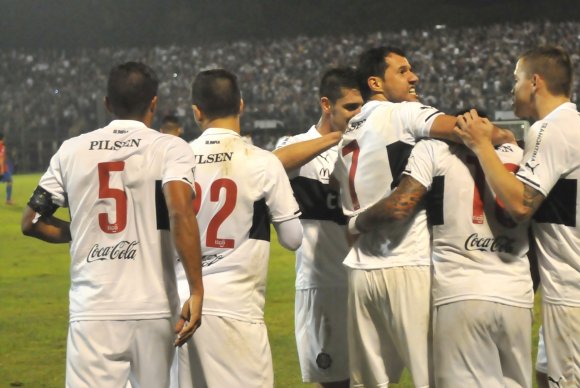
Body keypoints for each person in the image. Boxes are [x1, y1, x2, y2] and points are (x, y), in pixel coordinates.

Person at [333, 46, 511, 388]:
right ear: (376, 82)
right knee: (433, 377)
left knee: (370, 382)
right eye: (402, 71)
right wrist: (504, 137)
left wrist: (355, 223)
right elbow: (466, 129)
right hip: (407, 264)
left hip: (360, 272)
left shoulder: (349, 132)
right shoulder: (400, 114)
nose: (413, 77)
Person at [20, 61, 204, 387]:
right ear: (153, 103)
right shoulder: (170, 147)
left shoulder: (71, 151)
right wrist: (196, 288)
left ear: (106, 103)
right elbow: (180, 211)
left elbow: (32, 221)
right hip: (155, 308)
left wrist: (79, 231)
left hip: (94, 309)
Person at [455, 45, 580, 387]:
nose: (511, 89)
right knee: (548, 375)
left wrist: (481, 146)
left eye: (515, 80)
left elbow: (519, 205)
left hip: (577, 289)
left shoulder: (549, 130)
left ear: (534, 82)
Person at [349, 137, 534, 387]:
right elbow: (539, 234)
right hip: (516, 294)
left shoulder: (435, 149)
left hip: (461, 291)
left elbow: (401, 204)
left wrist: (354, 224)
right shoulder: (524, 154)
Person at [174, 68, 302, 388]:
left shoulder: (175, 160)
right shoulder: (261, 161)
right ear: (241, 105)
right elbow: (293, 238)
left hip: (180, 306)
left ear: (196, 111)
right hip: (237, 309)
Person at [273, 67, 363, 388]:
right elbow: (275, 163)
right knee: (334, 382)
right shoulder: (300, 144)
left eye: (361, 108)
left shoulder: (364, 148)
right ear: (327, 104)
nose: (358, 115)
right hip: (323, 285)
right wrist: (333, 140)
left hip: (363, 284)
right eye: (351, 107)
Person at [0, 132, 14, 205]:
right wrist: (2, 171)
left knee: (9, 180)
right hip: (2, 169)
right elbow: (1, 158)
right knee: (10, 180)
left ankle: (8, 199)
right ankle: (8, 200)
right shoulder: (1, 146)